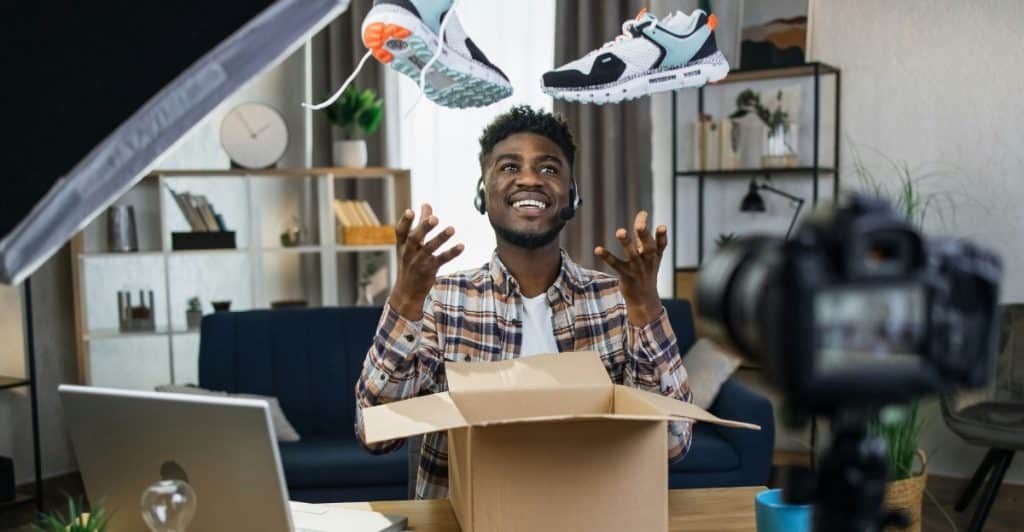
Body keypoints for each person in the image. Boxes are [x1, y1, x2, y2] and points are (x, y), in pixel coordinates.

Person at [354, 105, 691, 499]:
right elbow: (374, 434)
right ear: (483, 192)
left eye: (549, 169)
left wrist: (646, 308)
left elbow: (673, 443)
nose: (529, 179)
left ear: (572, 195)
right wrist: (407, 297)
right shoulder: (442, 301)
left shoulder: (618, 300)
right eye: (509, 167)